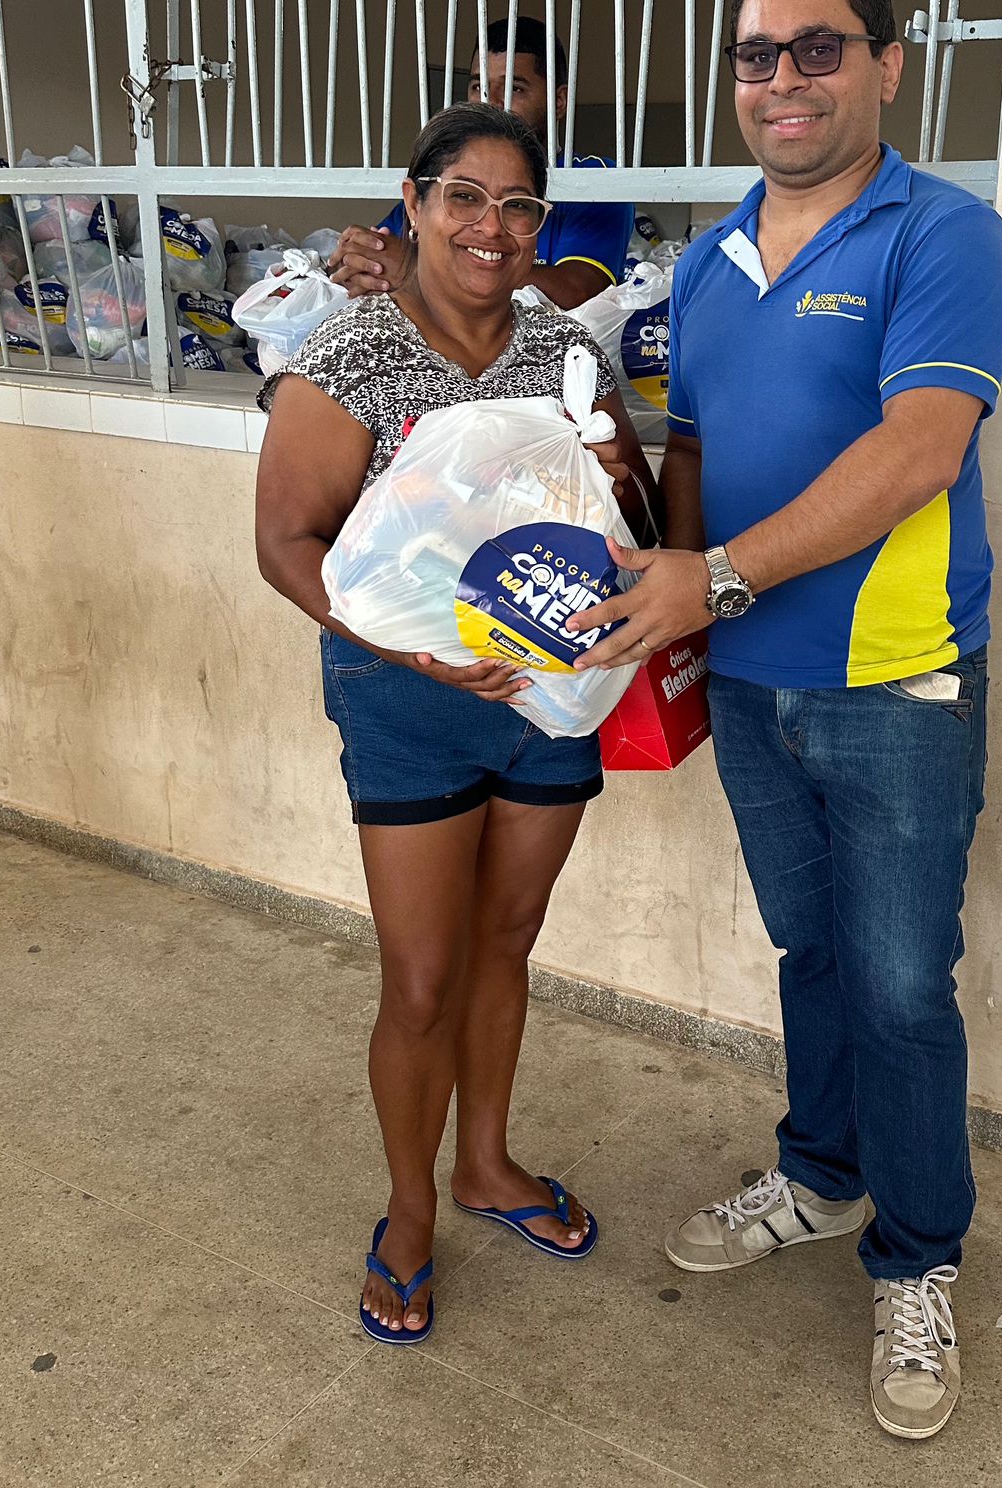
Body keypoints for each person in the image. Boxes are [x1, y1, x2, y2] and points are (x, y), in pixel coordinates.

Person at [568, 0, 1002, 1439]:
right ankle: (822, 1179)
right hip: (750, 681)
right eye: (757, 55)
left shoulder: (942, 235)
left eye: (818, 49)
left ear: (886, 65)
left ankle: (919, 1256)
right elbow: (692, 452)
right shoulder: (706, 264)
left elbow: (919, 452)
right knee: (810, 952)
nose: (783, 80)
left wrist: (713, 580)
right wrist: (670, 604)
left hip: (898, 681)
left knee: (900, 985)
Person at [254, 101, 660, 1345]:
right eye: (464, 198)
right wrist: (407, 649)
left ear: (541, 223)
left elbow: (628, 516)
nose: (492, 226)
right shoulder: (349, 355)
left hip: (550, 699)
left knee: (506, 939)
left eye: (518, 204)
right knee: (422, 979)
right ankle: (410, 1207)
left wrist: (619, 474)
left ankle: (485, 1163)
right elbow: (287, 546)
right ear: (415, 204)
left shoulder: (565, 352)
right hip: (408, 705)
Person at [328, 16, 635, 311]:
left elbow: (578, 291)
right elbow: (379, 259)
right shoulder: (441, 177)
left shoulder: (593, 180)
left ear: (558, 102)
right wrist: (356, 260)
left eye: (514, 88)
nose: (491, 102)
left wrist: (416, 269)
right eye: (478, 87)